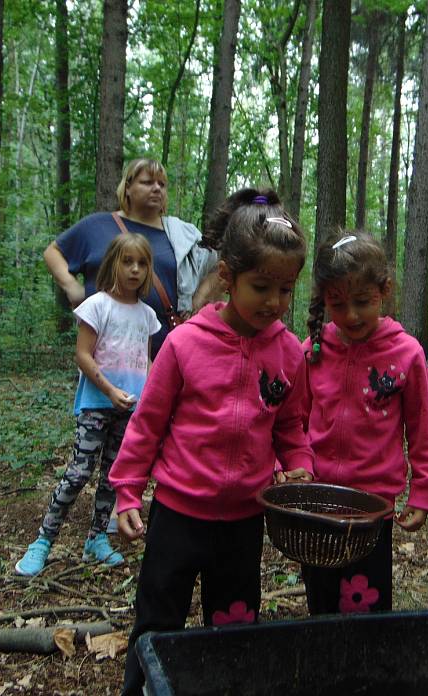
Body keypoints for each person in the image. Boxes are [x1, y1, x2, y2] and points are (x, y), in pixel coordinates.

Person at [108, 188, 314, 695]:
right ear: (227, 277)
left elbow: (291, 426)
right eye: (261, 287)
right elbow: (148, 424)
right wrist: (127, 488)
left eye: (286, 290)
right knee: (158, 619)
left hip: (244, 519)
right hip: (179, 513)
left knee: (237, 624)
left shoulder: (288, 352)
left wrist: (301, 464)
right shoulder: (184, 344)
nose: (274, 302)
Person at [301, 229, 428, 614]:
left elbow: (422, 430)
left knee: (366, 595)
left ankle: (367, 663)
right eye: (337, 303)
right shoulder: (313, 350)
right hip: (319, 499)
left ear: (385, 290)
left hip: (373, 506)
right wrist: (289, 468)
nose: (351, 315)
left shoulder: (406, 353)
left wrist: (424, 491)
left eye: (362, 301)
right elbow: (294, 422)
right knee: (321, 593)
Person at [15, 234, 162, 577]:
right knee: (79, 472)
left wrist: (148, 397)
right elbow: (83, 355)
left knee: (114, 475)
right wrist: (110, 390)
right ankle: (43, 541)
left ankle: (96, 539)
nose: (135, 270)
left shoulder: (147, 315)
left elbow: (148, 361)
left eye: (141, 264)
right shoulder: (97, 306)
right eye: (127, 262)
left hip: (130, 409)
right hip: (97, 404)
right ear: (113, 264)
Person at [43, 157, 220, 359]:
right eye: (147, 182)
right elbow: (53, 252)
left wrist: (199, 300)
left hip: (165, 355)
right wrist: (71, 287)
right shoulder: (96, 226)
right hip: (104, 355)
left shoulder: (183, 235)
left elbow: (220, 266)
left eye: (162, 184)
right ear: (127, 187)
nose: (156, 188)